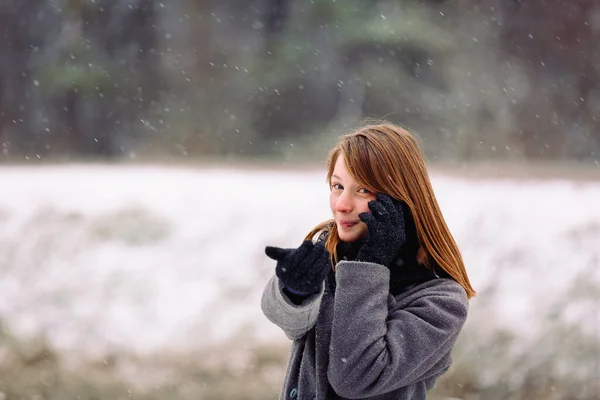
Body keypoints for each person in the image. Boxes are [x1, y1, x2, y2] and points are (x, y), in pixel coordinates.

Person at [261, 122, 476, 400]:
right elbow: (289, 322)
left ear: (399, 198)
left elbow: (355, 377)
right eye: (337, 186)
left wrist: (370, 265)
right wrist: (295, 291)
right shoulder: (332, 251)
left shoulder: (442, 301)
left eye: (363, 190)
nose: (342, 204)